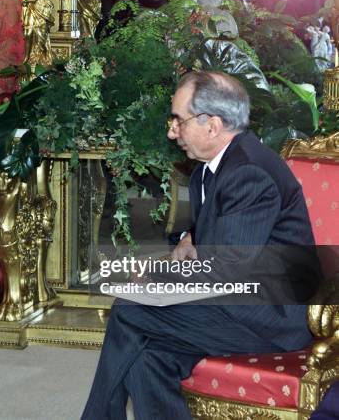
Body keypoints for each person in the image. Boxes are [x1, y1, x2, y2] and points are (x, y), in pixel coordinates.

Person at [82, 71, 317, 419]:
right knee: (148, 358)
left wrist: (157, 277)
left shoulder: (249, 173)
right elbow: (214, 236)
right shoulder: (213, 168)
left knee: (130, 310)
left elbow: (226, 269)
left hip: (270, 317)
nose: (171, 131)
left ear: (213, 125)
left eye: (179, 120)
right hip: (236, 300)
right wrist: (185, 241)